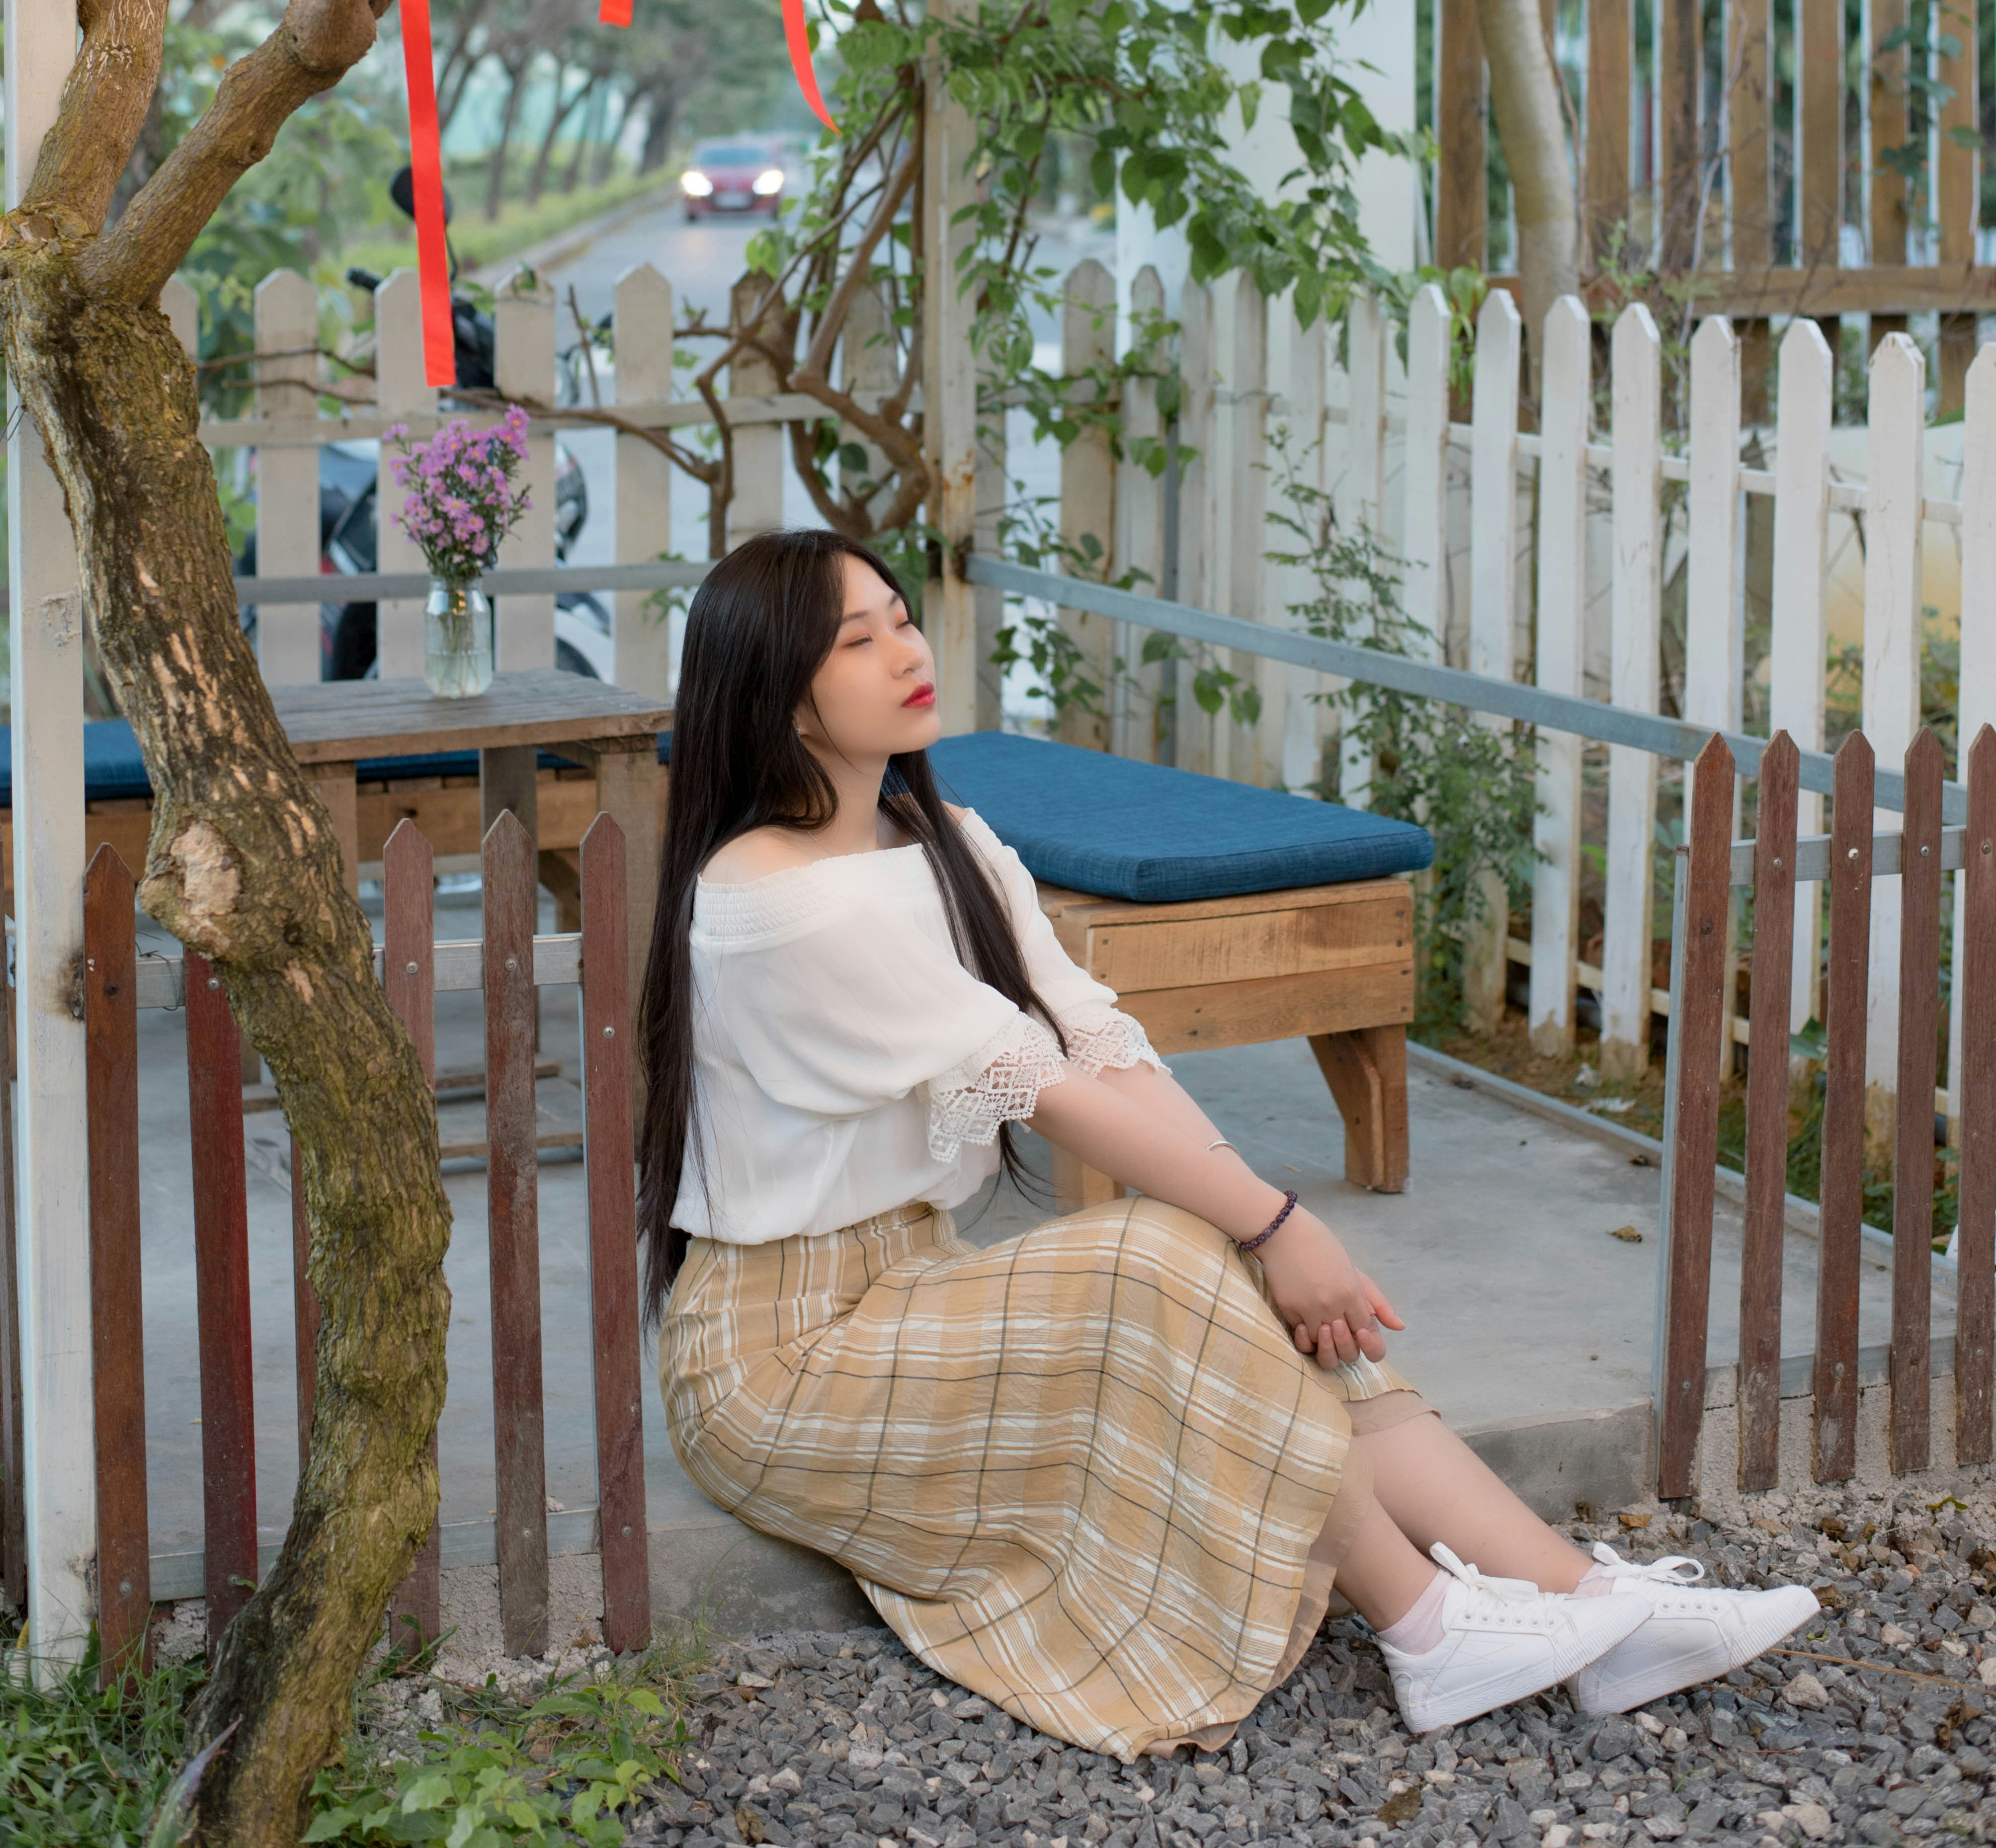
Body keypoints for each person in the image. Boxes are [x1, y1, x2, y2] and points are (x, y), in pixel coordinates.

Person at [638, 530, 1818, 1762]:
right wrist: (1272, 1223)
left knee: (1212, 1245)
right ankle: (1424, 1626)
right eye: (858, 637)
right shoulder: (771, 900)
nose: (907, 648)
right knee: (1158, 1258)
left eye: (901, 614)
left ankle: (1593, 1610)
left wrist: (1255, 1219)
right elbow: (1048, 1091)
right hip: (783, 1363)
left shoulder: (940, 838)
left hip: (909, 1285)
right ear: (777, 693)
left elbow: (1101, 1044)